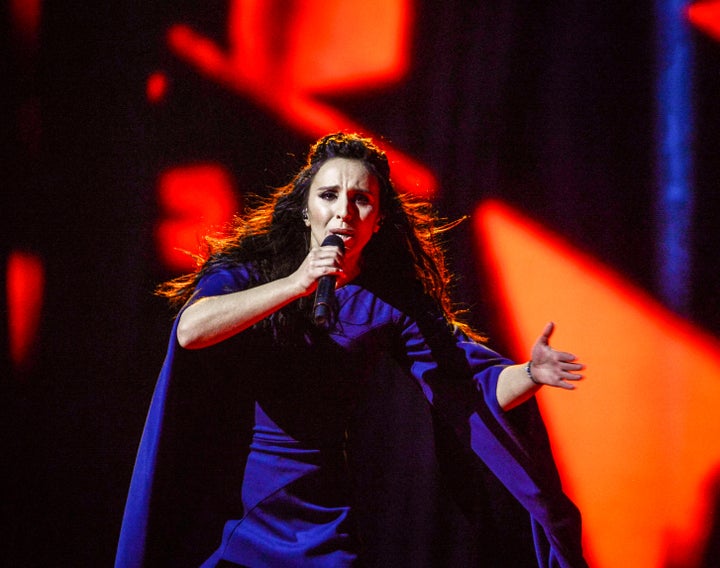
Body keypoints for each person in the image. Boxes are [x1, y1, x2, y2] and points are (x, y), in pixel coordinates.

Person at [115, 132, 587, 567]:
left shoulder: (391, 304)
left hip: (318, 504)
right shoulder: (254, 269)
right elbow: (191, 330)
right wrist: (296, 283)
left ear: (378, 221)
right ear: (305, 209)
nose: (344, 211)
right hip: (234, 494)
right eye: (329, 195)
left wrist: (529, 373)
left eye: (362, 200)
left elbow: (471, 387)